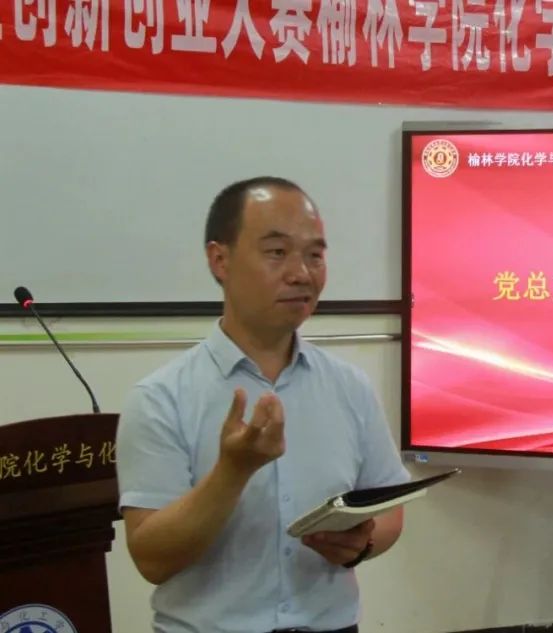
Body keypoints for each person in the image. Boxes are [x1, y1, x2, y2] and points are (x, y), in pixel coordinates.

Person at [115, 176, 411, 633]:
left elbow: (389, 506)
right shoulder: (160, 398)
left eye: (315, 255)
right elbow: (152, 559)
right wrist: (232, 471)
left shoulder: (349, 387)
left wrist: (362, 543)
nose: (302, 273)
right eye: (277, 252)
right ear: (220, 260)